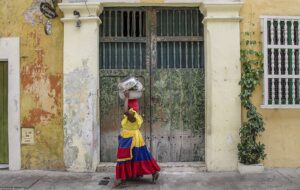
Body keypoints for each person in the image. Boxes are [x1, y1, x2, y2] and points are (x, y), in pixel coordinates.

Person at [115, 90, 160, 187]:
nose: (126, 106)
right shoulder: (134, 116)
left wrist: (126, 97)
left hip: (131, 140)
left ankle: (121, 178)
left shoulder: (132, 115)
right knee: (138, 157)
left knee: (126, 158)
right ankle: (126, 176)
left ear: (131, 107)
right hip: (130, 139)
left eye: (128, 105)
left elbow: (125, 111)